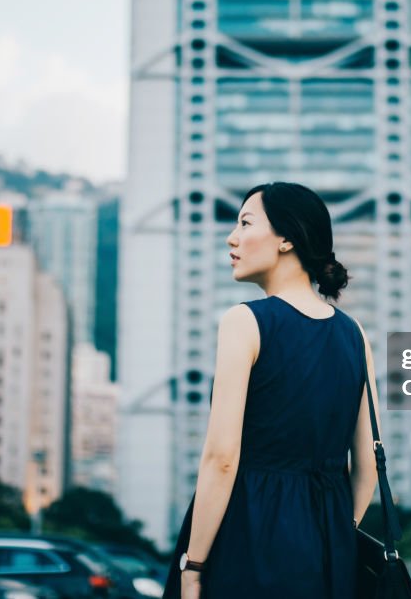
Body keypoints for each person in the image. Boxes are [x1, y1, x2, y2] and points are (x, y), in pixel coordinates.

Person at [162, 181, 382, 599]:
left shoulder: (245, 321)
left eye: (245, 223)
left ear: (286, 239)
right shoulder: (354, 335)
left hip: (249, 537)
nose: (232, 237)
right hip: (330, 552)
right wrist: (335, 531)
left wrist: (193, 567)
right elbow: (368, 461)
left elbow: (222, 459)